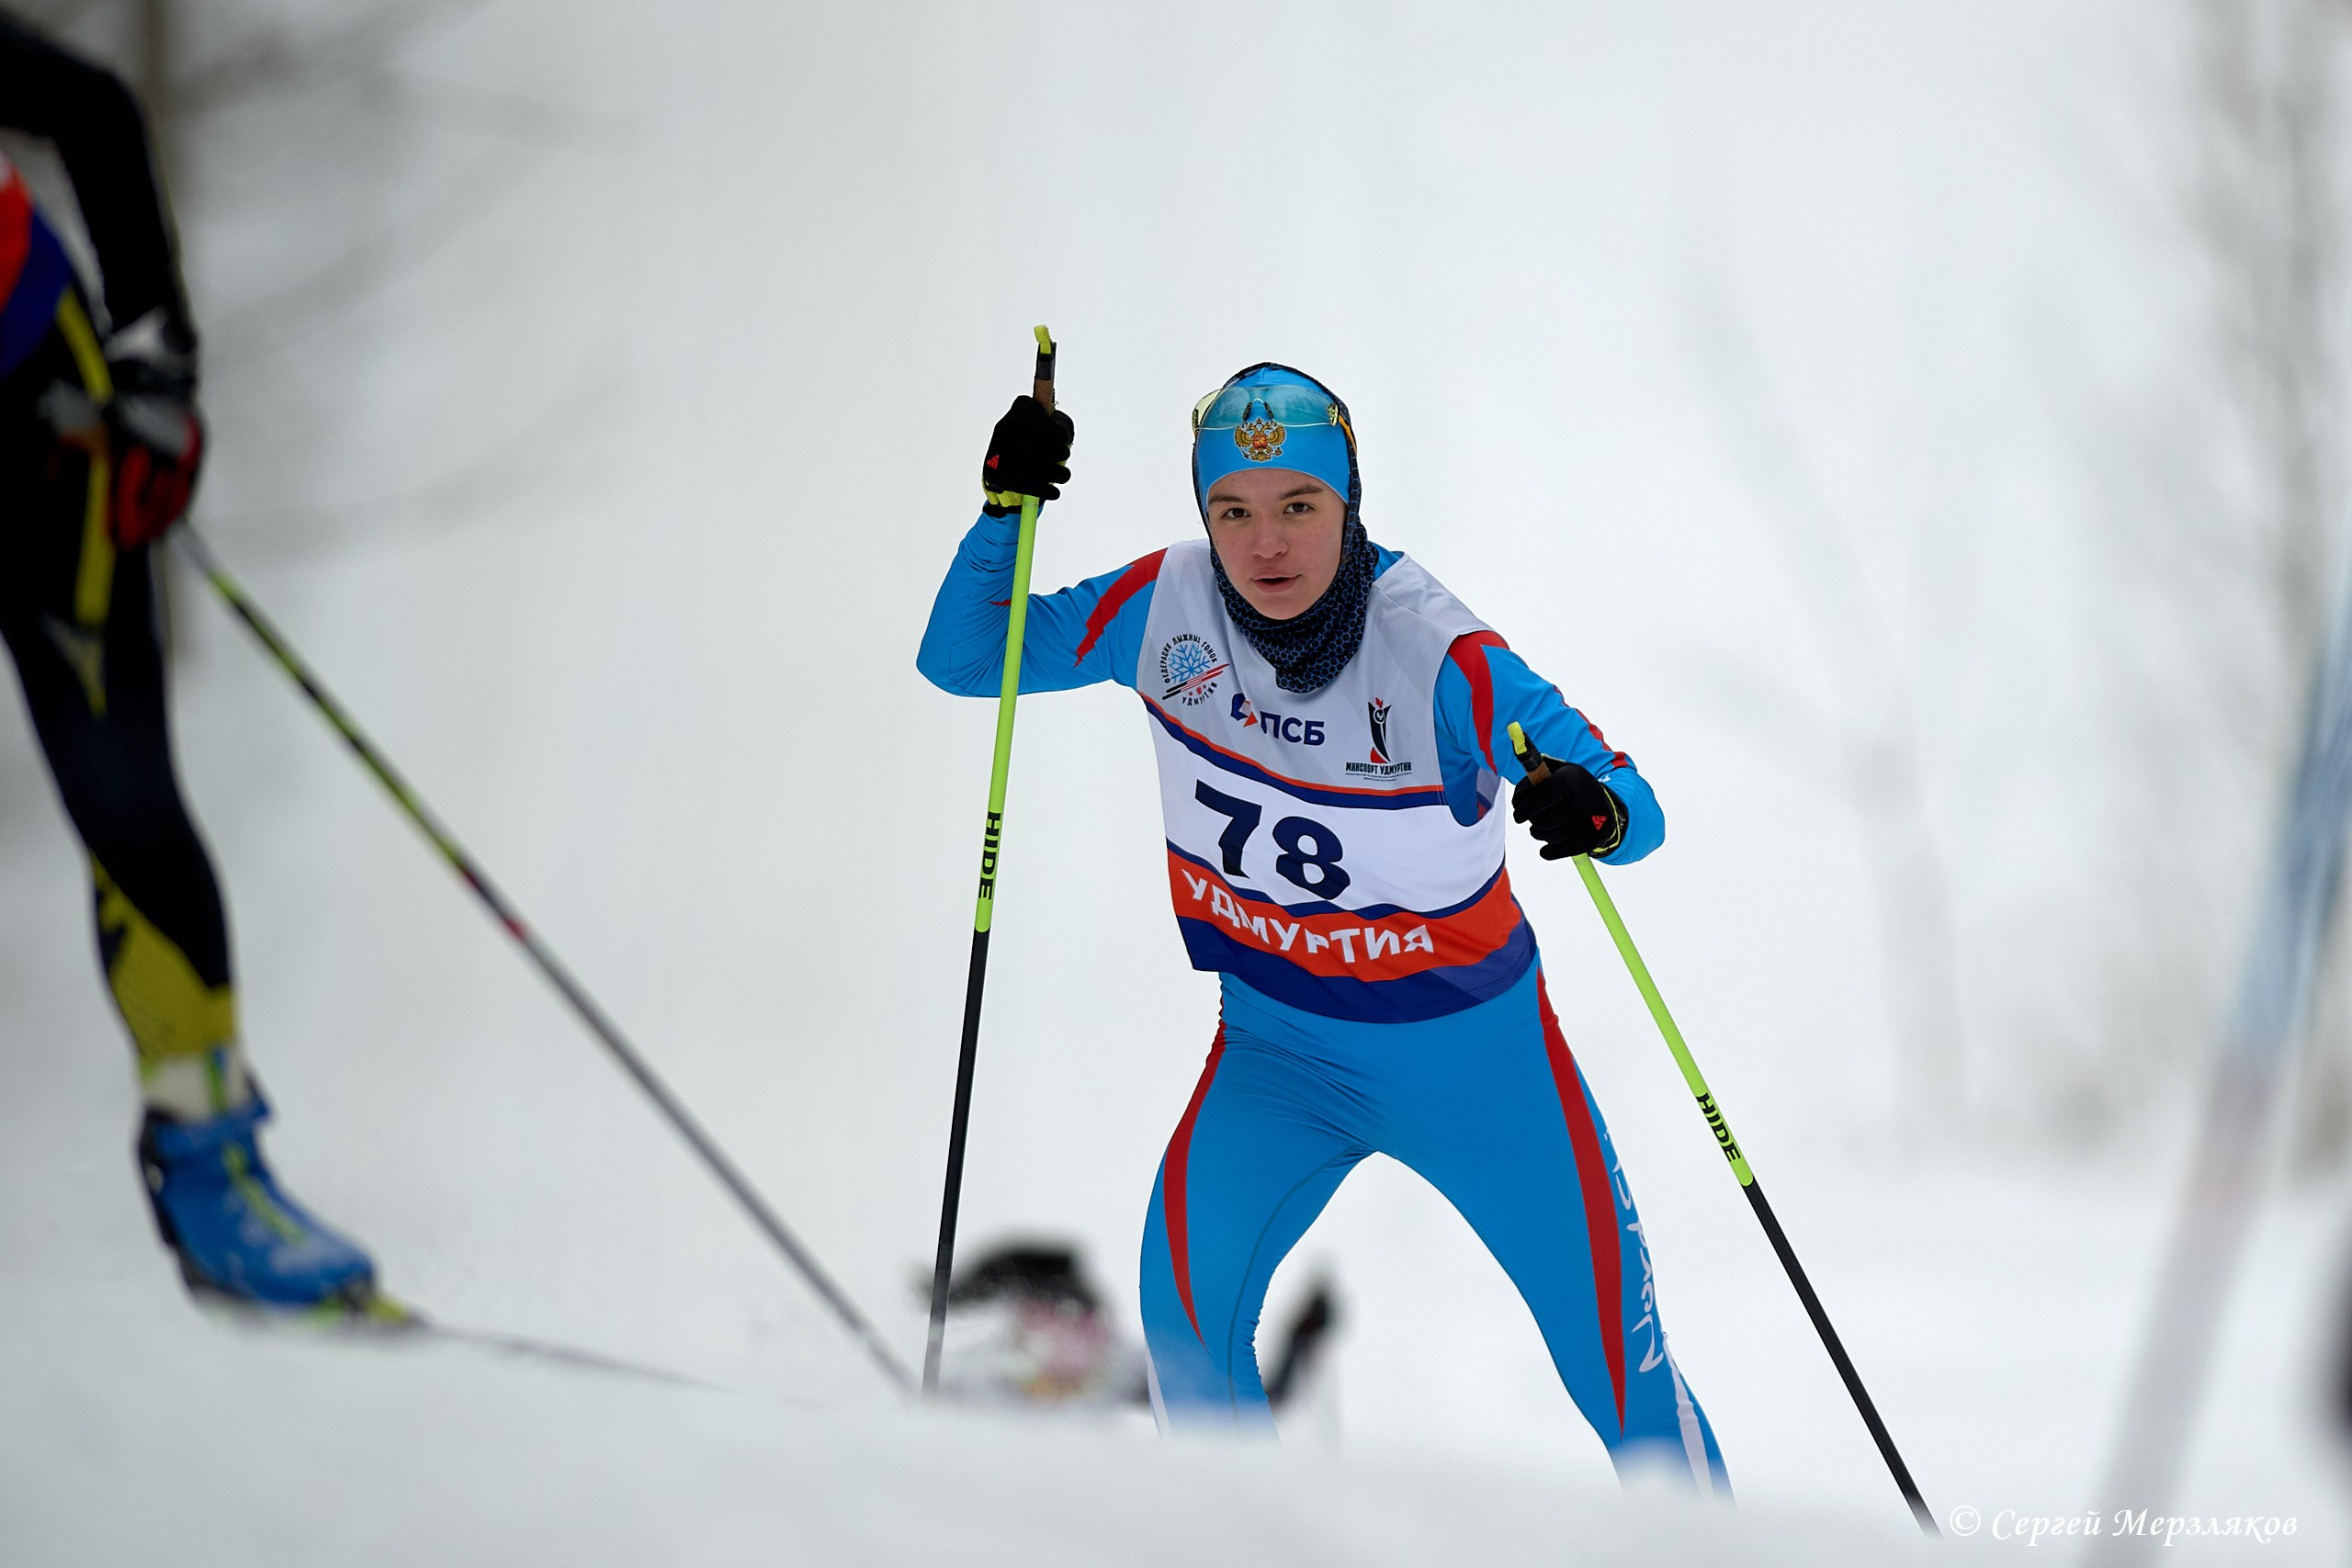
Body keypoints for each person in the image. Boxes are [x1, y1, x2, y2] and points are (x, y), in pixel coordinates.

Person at [919, 362, 1726, 1488]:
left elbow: (1629, 808)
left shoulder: (1440, 654)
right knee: (1186, 1329)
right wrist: (1006, 512)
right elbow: (965, 659)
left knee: (1622, 1383)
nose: (1266, 546)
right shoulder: (1163, 605)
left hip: (1482, 1070)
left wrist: (1590, 808)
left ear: (1348, 505)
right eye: (1232, 513)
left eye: (1299, 506)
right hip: (1277, 1057)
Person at [0, 17, 377, 1311]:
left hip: (37, 417)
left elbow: (93, 108)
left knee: (122, 790)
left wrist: (155, 362)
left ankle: (215, 1178)